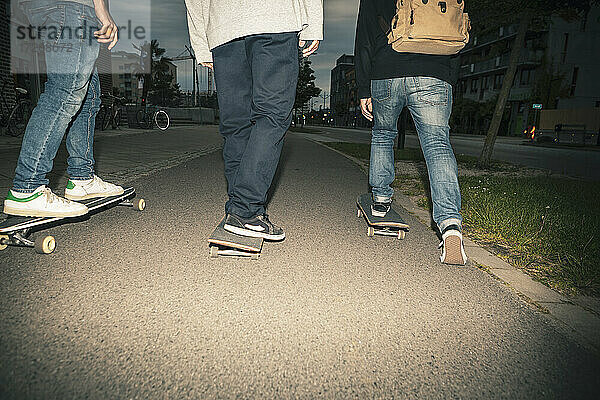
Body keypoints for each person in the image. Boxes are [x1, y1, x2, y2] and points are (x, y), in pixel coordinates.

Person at [185, 0, 323, 240]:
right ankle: (245, 211)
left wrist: (201, 43)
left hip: (223, 28)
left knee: (235, 123)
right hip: (274, 18)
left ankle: (239, 208)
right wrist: (312, 22)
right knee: (272, 114)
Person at [354, 0, 467, 265]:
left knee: (383, 135)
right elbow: (457, 27)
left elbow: (365, 37)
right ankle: (450, 225)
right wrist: (449, 78)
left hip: (386, 71)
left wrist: (363, 88)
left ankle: (380, 201)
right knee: (438, 145)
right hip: (434, 72)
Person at [3, 0, 124, 218]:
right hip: (71, 5)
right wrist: (102, 9)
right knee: (65, 92)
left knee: (89, 95)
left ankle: (82, 177)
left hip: (54, 7)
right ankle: (27, 189)